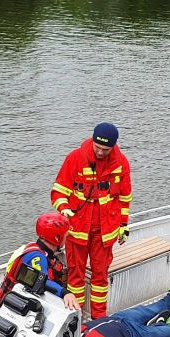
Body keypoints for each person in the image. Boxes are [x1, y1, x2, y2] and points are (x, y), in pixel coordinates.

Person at [51, 122, 132, 319]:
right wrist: (64, 208)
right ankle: (75, 318)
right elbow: (58, 191)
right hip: (78, 228)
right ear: (93, 140)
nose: (101, 152)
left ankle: (99, 319)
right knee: (75, 277)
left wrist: (123, 225)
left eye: (105, 149)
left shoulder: (120, 163)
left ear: (113, 146)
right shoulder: (75, 158)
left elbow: (124, 197)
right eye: (97, 147)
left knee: (100, 277)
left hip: (105, 231)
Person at [0, 212, 81, 314]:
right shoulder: (36, 257)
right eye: (65, 235)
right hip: (9, 313)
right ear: (57, 238)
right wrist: (64, 293)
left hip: (17, 306)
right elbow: (41, 281)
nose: (66, 238)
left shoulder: (37, 249)